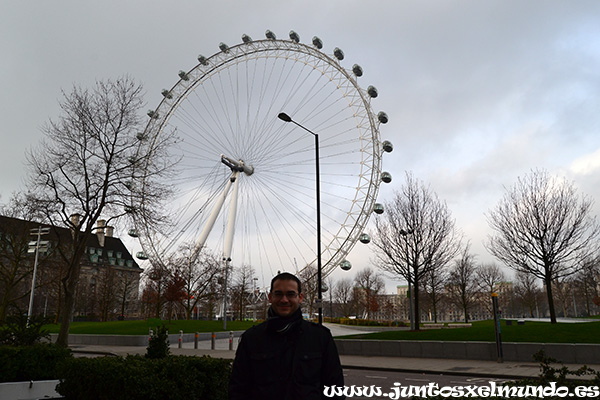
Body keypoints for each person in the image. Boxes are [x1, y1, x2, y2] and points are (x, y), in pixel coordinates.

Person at [229, 272, 345, 400]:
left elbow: (335, 388)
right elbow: (238, 389)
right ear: (270, 297)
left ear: (300, 297)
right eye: (278, 294)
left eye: (290, 294)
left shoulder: (321, 337)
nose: (284, 300)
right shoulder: (251, 339)